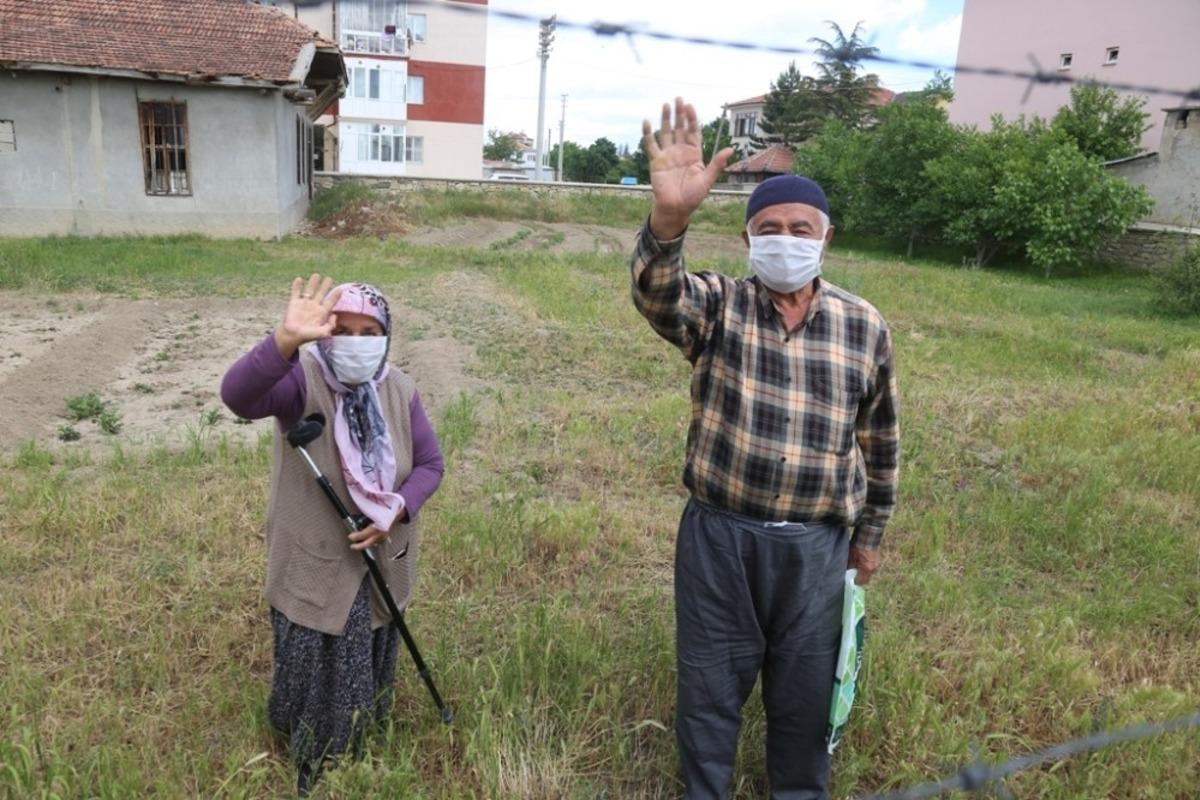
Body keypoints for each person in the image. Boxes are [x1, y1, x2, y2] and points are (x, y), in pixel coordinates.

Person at [632, 99, 900, 799]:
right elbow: (659, 296)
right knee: (710, 687)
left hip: (817, 546)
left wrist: (867, 539)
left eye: (799, 229)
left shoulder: (863, 326)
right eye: (769, 229)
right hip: (721, 536)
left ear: (825, 238)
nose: (786, 240)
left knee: (805, 696)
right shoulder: (718, 305)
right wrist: (669, 221)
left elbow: (881, 441)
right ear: (750, 239)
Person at [220, 275, 445, 794]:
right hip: (315, 556)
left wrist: (396, 510)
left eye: (371, 332)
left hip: (382, 555)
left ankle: (361, 738)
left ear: (387, 336)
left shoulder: (399, 389)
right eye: (343, 330)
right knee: (319, 650)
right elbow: (238, 396)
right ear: (323, 334)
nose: (357, 343)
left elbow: (431, 464)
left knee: (370, 645)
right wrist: (284, 341)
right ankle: (313, 756)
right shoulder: (301, 379)